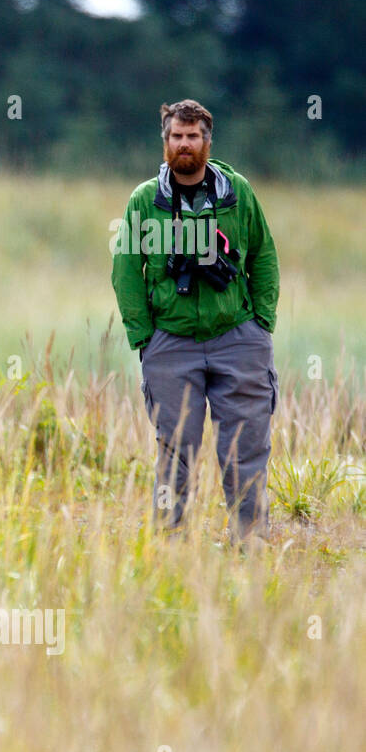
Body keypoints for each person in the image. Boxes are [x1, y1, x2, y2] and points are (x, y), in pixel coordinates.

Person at [111, 99, 280, 541]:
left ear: (207, 140)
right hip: (171, 340)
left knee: (245, 445)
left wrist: (262, 324)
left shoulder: (237, 192)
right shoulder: (145, 200)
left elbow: (263, 256)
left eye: (192, 136)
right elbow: (126, 270)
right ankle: (170, 541)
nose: (184, 144)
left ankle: (251, 541)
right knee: (174, 450)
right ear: (165, 141)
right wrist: (143, 338)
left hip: (238, 335)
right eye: (176, 136)